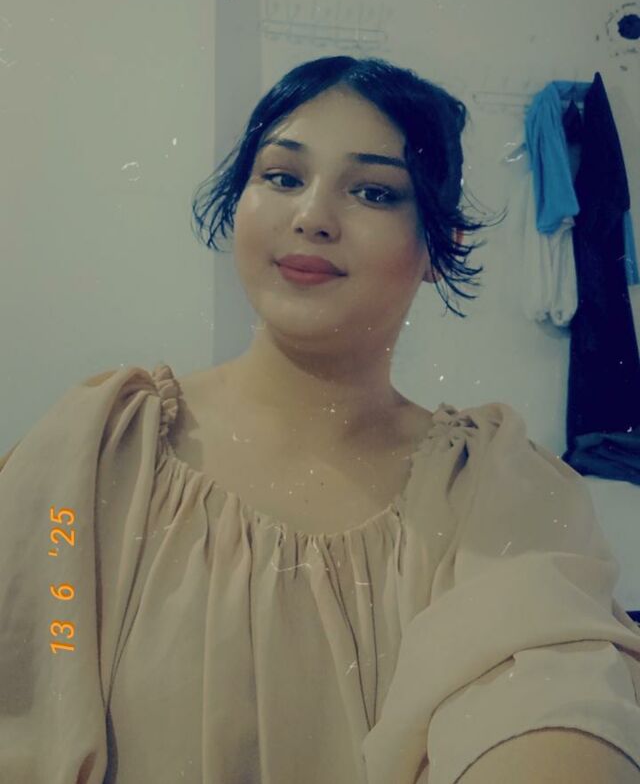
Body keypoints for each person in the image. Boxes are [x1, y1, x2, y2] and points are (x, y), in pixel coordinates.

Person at [1, 54, 639, 784]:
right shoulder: (103, 444)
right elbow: (32, 673)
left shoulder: (492, 484)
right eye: (281, 177)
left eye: (374, 191)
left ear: (442, 246)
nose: (311, 217)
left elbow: (550, 692)